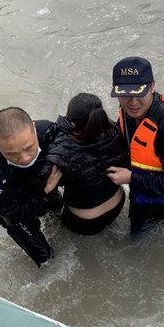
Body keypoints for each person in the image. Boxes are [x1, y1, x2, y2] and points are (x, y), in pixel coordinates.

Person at [106, 56, 164, 233]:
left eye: (139, 92)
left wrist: (131, 178)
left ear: (152, 86)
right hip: (143, 196)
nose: (133, 102)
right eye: (126, 94)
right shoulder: (128, 114)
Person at [34, 93, 129, 235]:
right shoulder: (115, 131)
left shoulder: (60, 149)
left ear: (72, 122)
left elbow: (39, 188)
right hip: (117, 204)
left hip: (84, 222)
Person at [0, 107, 62, 268]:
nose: (24, 159)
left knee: (61, 214)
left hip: (45, 185)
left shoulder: (48, 131)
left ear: (33, 127)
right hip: (18, 205)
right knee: (46, 259)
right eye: (12, 154)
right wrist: (45, 191)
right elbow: (13, 215)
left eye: (29, 148)